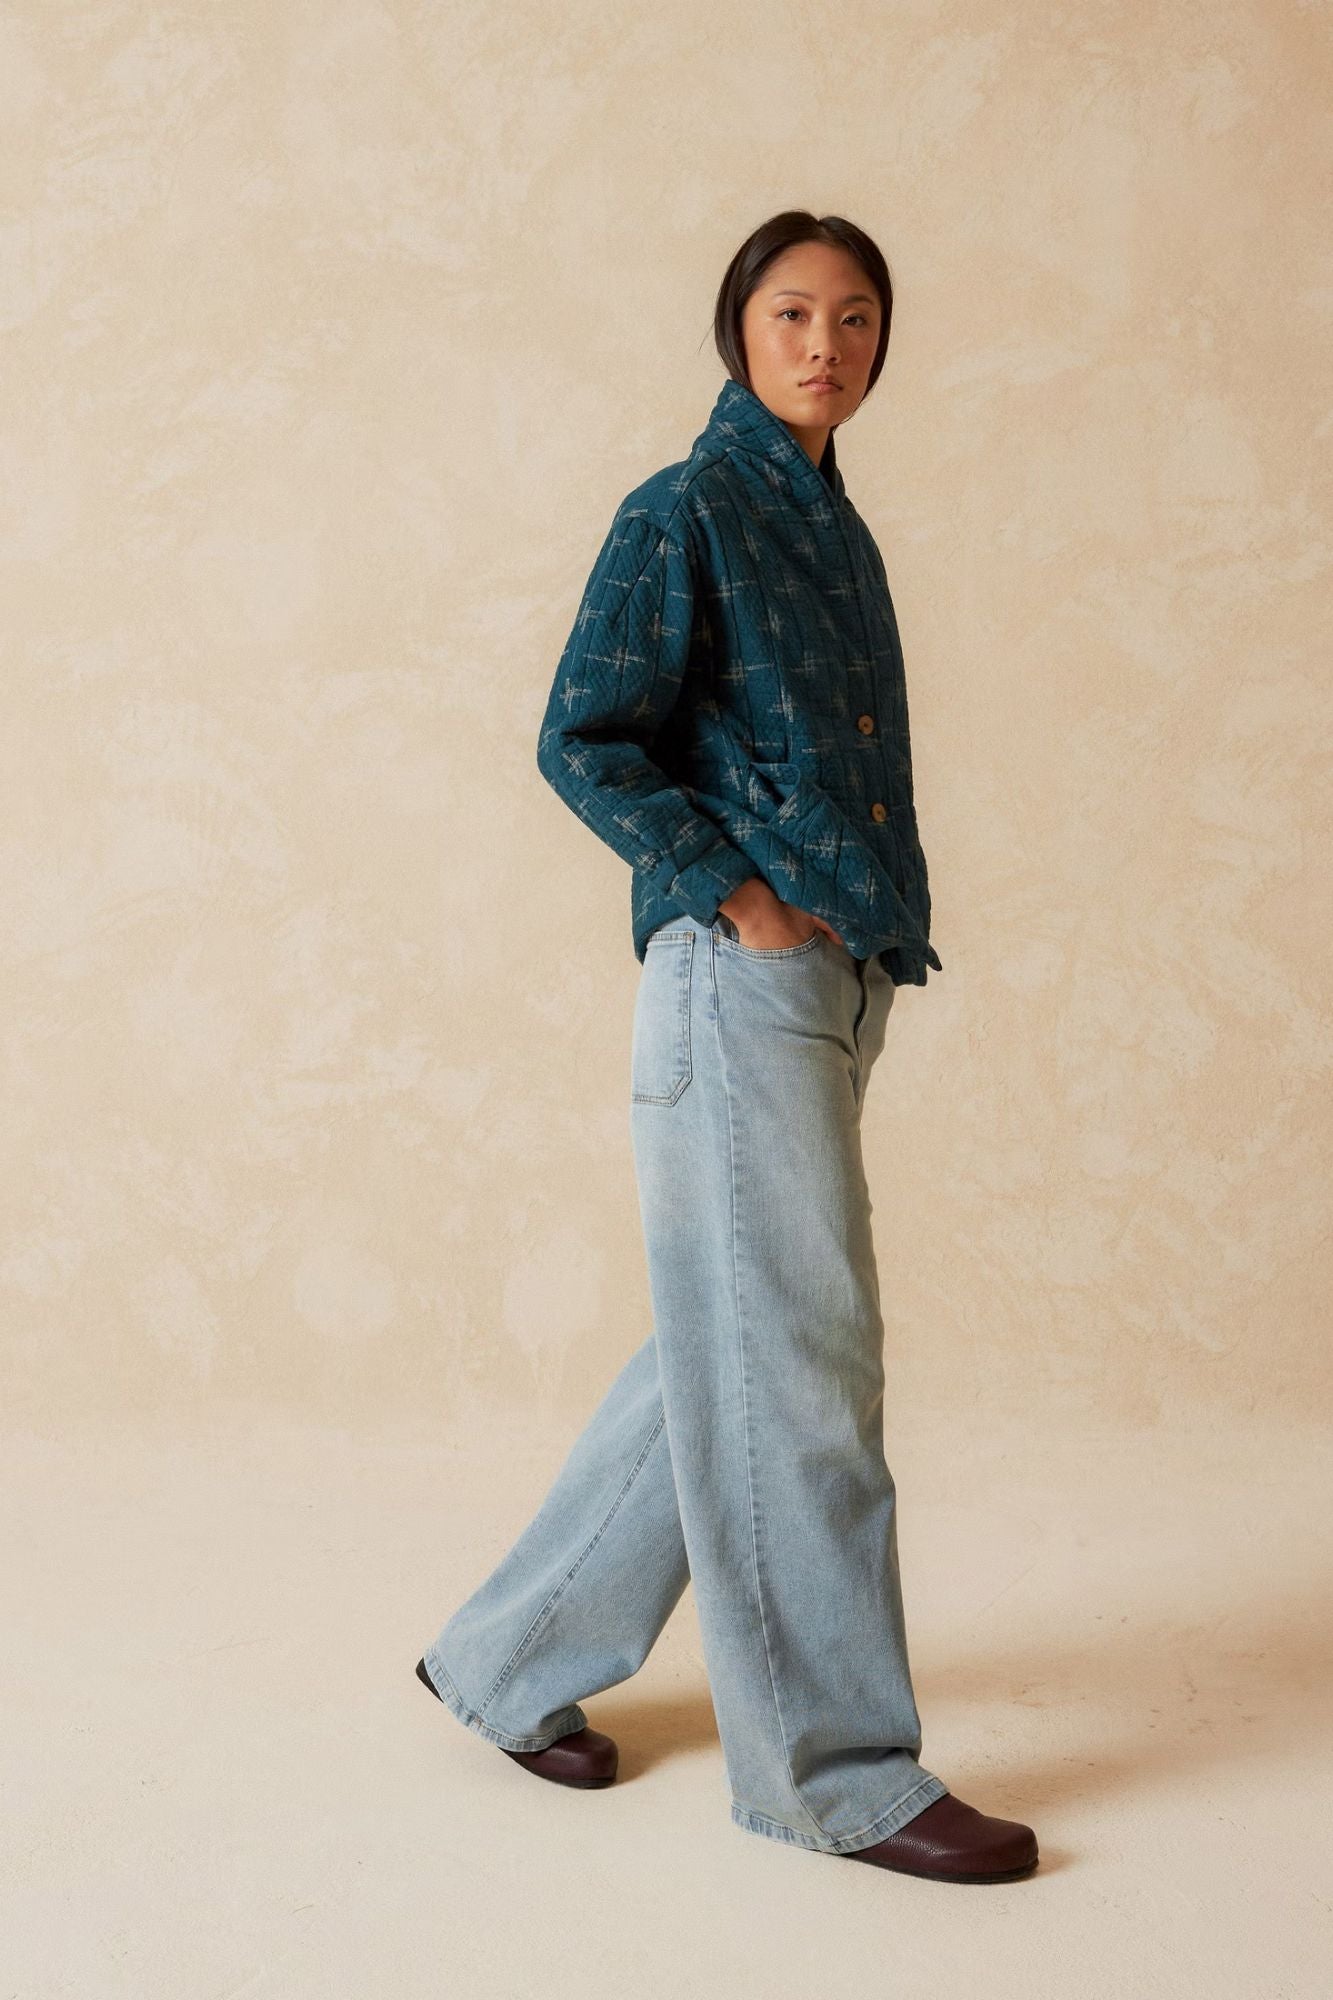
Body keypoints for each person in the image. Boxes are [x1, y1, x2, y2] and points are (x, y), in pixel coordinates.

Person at [417, 210, 1039, 1884]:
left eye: (855, 317)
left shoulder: (832, 527)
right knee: (802, 1367)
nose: (823, 344)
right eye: (790, 313)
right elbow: (581, 736)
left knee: (734, 1344)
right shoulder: (684, 507)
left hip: (833, 986)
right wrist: (741, 899)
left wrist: (863, 942)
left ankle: (504, 1660)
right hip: (734, 981)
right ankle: (837, 1774)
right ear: (736, 330)